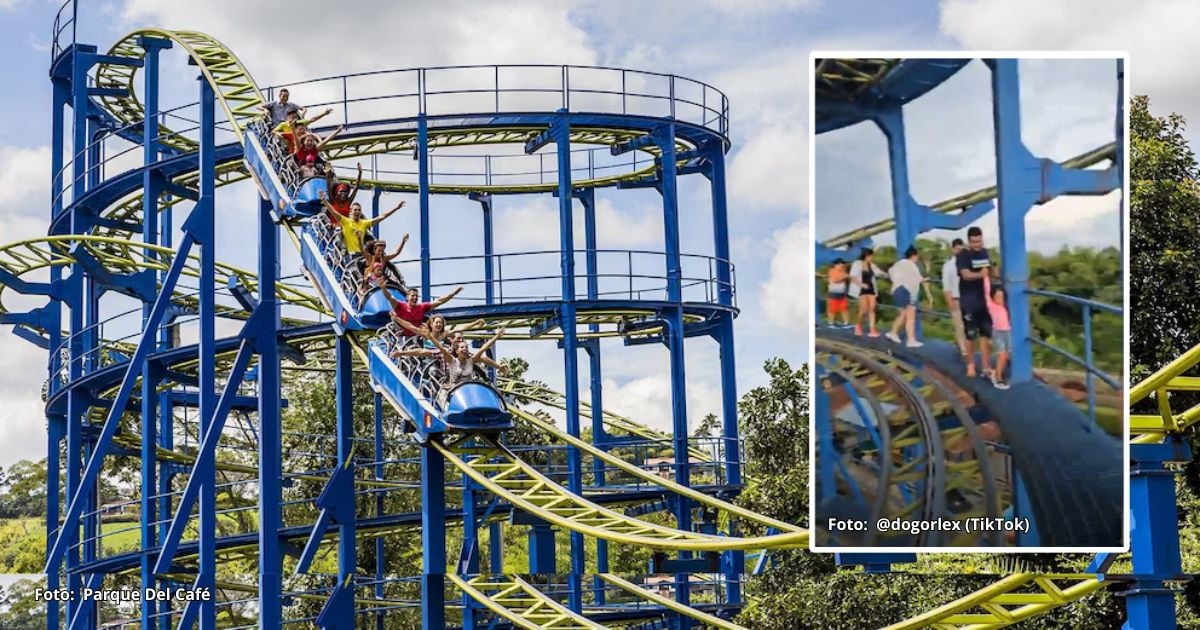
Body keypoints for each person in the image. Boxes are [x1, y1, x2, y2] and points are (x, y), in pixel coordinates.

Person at [427, 330, 508, 408]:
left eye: (466, 347)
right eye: (462, 347)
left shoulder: (471, 360)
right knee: (443, 397)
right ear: (457, 351)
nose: (465, 349)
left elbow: (483, 349)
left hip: (468, 391)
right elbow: (441, 348)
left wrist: (497, 336)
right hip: (453, 391)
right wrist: (431, 337)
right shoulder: (452, 361)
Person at [956, 226, 994, 378]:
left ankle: (985, 365)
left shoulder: (985, 252)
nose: (977, 245)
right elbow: (965, 275)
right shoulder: (963, 255)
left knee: (986, 334)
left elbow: (990, 271)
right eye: (974, 242)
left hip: (985, 300)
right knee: (971, 335)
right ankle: (970, 364)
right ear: (969, 240)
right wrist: (980, 274)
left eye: (979, 241)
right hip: (969, 300)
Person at [321, 192, 404, 257]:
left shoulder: (364, 223)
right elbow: (333, 211)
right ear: (351, 211)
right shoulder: (345, 221)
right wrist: (325, 201)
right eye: (355, 210)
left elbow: (382, 217)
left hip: (362, 254)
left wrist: (396, 208)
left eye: (359, 210)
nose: (357, 212)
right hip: (350, 254)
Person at [383, 285, 465, 336]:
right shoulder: (400, 305)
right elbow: (389, 297)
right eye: (413, 296)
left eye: (416, 296)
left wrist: (453, 294)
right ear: (407, 297)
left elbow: (440, 301)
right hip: (402, 336)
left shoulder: (422, 307)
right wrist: (383, 287)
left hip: (418, 335)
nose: (415, 298)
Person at [885, 245, 925, 348]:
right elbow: (918, 278)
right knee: (910, 316)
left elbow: (890, 273)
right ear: (914, 255)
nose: (917, 258)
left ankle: (893, 333)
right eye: (917, 256)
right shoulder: (911, 265)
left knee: (902, 314)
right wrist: (924, 279)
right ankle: (911, 340)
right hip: (905, 291)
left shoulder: (898, 264)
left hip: (897, 290)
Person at [941, 238, 969, 360]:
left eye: (961, 249)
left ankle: (965, 346)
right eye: (957, 249)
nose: (959, 251)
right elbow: (946, 284)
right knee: (959, 324)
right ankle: (963, 349)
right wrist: (949, 300)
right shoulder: (948, 266)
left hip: (968, 297)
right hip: (956, 297)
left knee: (968, 324)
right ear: (953, 249)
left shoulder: (968, 263)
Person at [849, 248, 886, 337]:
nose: (872, 257)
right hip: (861, 288)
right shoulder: (857, 264)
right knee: (864, 309)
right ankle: (858, 325)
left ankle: (872, 329)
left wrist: (885, 274)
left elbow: (879, 272)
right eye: (871, 256)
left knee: (872, 308)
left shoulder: (872, 265)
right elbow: (852, 277)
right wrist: (861, 284)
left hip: (871, 288)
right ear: (866, 256)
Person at [985, 278, 1011, 390]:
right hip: (997, 332)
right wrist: (985, 276)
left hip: (1007, 331)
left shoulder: (1003, 307)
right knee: (1001, 354)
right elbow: (986, 291)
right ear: (993, 297)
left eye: (1002, 297)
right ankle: (998, 377)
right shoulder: (991, 305)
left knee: (1005, 355)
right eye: (997, 296)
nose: (1000, 299)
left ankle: (995, 372)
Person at [825, 259, 850, 326]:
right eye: (841, 264)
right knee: (832, 309)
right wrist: (844, 278)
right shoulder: (832, 271)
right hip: (833, 293)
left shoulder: (843, 271)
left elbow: (845, 278)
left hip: (842, 294)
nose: (842, 265)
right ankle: (831, 323)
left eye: (843, 264)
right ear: (836, 265)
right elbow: (835, 281)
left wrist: (845, 277)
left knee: (844, 308)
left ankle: (846, 323)